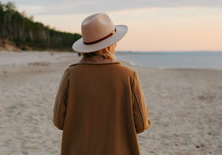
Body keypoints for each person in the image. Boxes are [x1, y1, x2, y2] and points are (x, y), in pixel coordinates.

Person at [53, 13, 151, 155]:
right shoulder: (128, 75)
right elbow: (141, 124)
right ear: (111, 45)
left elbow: (59, 122)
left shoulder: (71, 75)